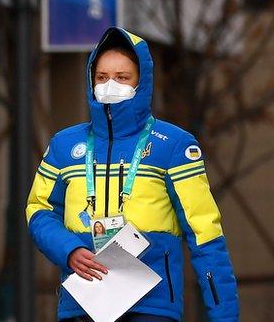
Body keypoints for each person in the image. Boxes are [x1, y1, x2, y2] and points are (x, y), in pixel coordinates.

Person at [26, 27, 238, 321]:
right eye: (101, 77)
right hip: (82, 304)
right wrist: (69, 249)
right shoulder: (64, 146)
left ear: (142, 81)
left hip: (153, 307)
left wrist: (225, 316)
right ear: (91, 81)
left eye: (122, 77)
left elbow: (206, 235)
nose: (110, 85)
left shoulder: (175, 145)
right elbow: (38, 210)